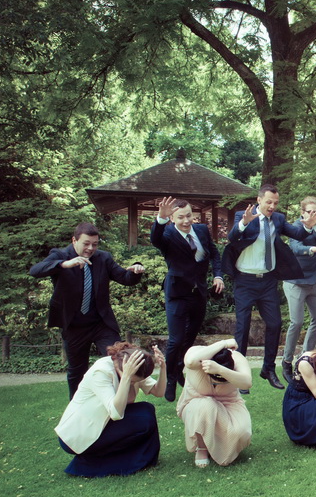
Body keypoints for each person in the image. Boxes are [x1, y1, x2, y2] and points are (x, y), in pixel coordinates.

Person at [222, 185, 316, 394]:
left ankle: (268, 369)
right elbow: (232, 238)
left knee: (275, 324)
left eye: (275, 203)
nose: (272, 206)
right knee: (243, 327)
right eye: (268, 202)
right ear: (259, 200)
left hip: (267, 281)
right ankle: (240, 373)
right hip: (245, 281)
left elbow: (296, 233)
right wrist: (242, 224)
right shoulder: (244, 215)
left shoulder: (277, 219)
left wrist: (308, 227)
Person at [30, 222, 146, 399]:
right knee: (77, 372)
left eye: (95, 244)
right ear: (74, 240)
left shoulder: (103, 258)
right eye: (86, 243)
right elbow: (35, 271)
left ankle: (120, 405)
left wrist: (136, 270)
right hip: (74, 325)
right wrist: (64, 264)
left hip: (101, 324)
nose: (90, 248)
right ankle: (76, 410)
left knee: (119, 361)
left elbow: (125, 278)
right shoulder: (60, 255)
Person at [54, 342, 165, 477]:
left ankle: (143, 460)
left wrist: (163, 367)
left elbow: (158, 392)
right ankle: (87, 465)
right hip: (78, 434)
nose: (133, 384)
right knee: (143, 420)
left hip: (103, 423)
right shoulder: (101, 371)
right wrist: (126, 377)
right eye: (132, 382)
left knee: (146, 410)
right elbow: (116, 413)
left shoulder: (133, 367)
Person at [151, 197, 224, 402]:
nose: (186, 220)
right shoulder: (167, 234)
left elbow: (214, 254)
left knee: (190, 337)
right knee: (176, 339)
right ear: (173, 219)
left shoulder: (201, 230)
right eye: (181, 217)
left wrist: (217, 275)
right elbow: (155, 239)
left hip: (198, 293)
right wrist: (160, 219)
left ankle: (181, 367)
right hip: (176, 293)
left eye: (189, 215)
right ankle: (171, 378)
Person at [176, 339, 252, 468]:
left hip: (229, 404)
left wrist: (221, 370)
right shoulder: (197, 353)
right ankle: (202, 448)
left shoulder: (236, 357)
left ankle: (219, 445)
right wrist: (223, 343)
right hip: (197, 404)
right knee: (206, 406)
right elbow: (190, 362)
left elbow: (247, 382)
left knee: (241, 431)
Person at [282, 196, 316, 384]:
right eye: (310, 211)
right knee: (296, 322)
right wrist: (313, 249)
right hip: (295, 281)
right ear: (303, 212)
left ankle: (305, 358)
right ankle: (287, 360)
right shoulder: (296, 226)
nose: (314, 214)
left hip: (314, 281)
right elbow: (295, 247)